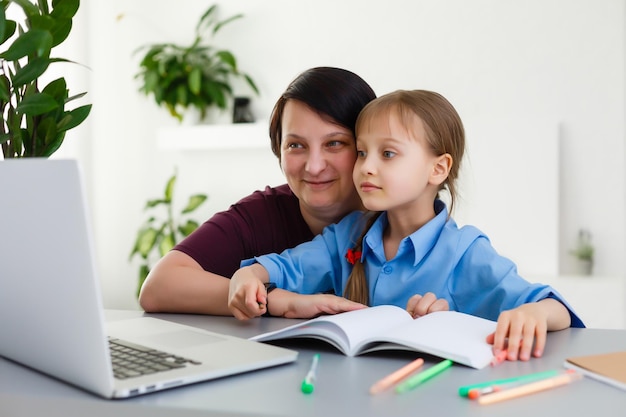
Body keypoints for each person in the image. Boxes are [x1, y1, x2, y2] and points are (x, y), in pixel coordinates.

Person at [227, 89, 585, 362]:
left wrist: (532, 313)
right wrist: (249, 276)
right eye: (363, 152)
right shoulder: (348, 235)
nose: (366, 167)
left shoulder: (464, 251)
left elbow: (552, 308)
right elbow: (287, 266)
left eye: (388, 154)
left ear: (438, 169)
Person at [138, 67, 377, 315]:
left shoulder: (401, 214)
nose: (314, 166)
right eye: (296, 145)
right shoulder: (261, 215)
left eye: (334, 143)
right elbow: (158, 286)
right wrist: (272, 299)